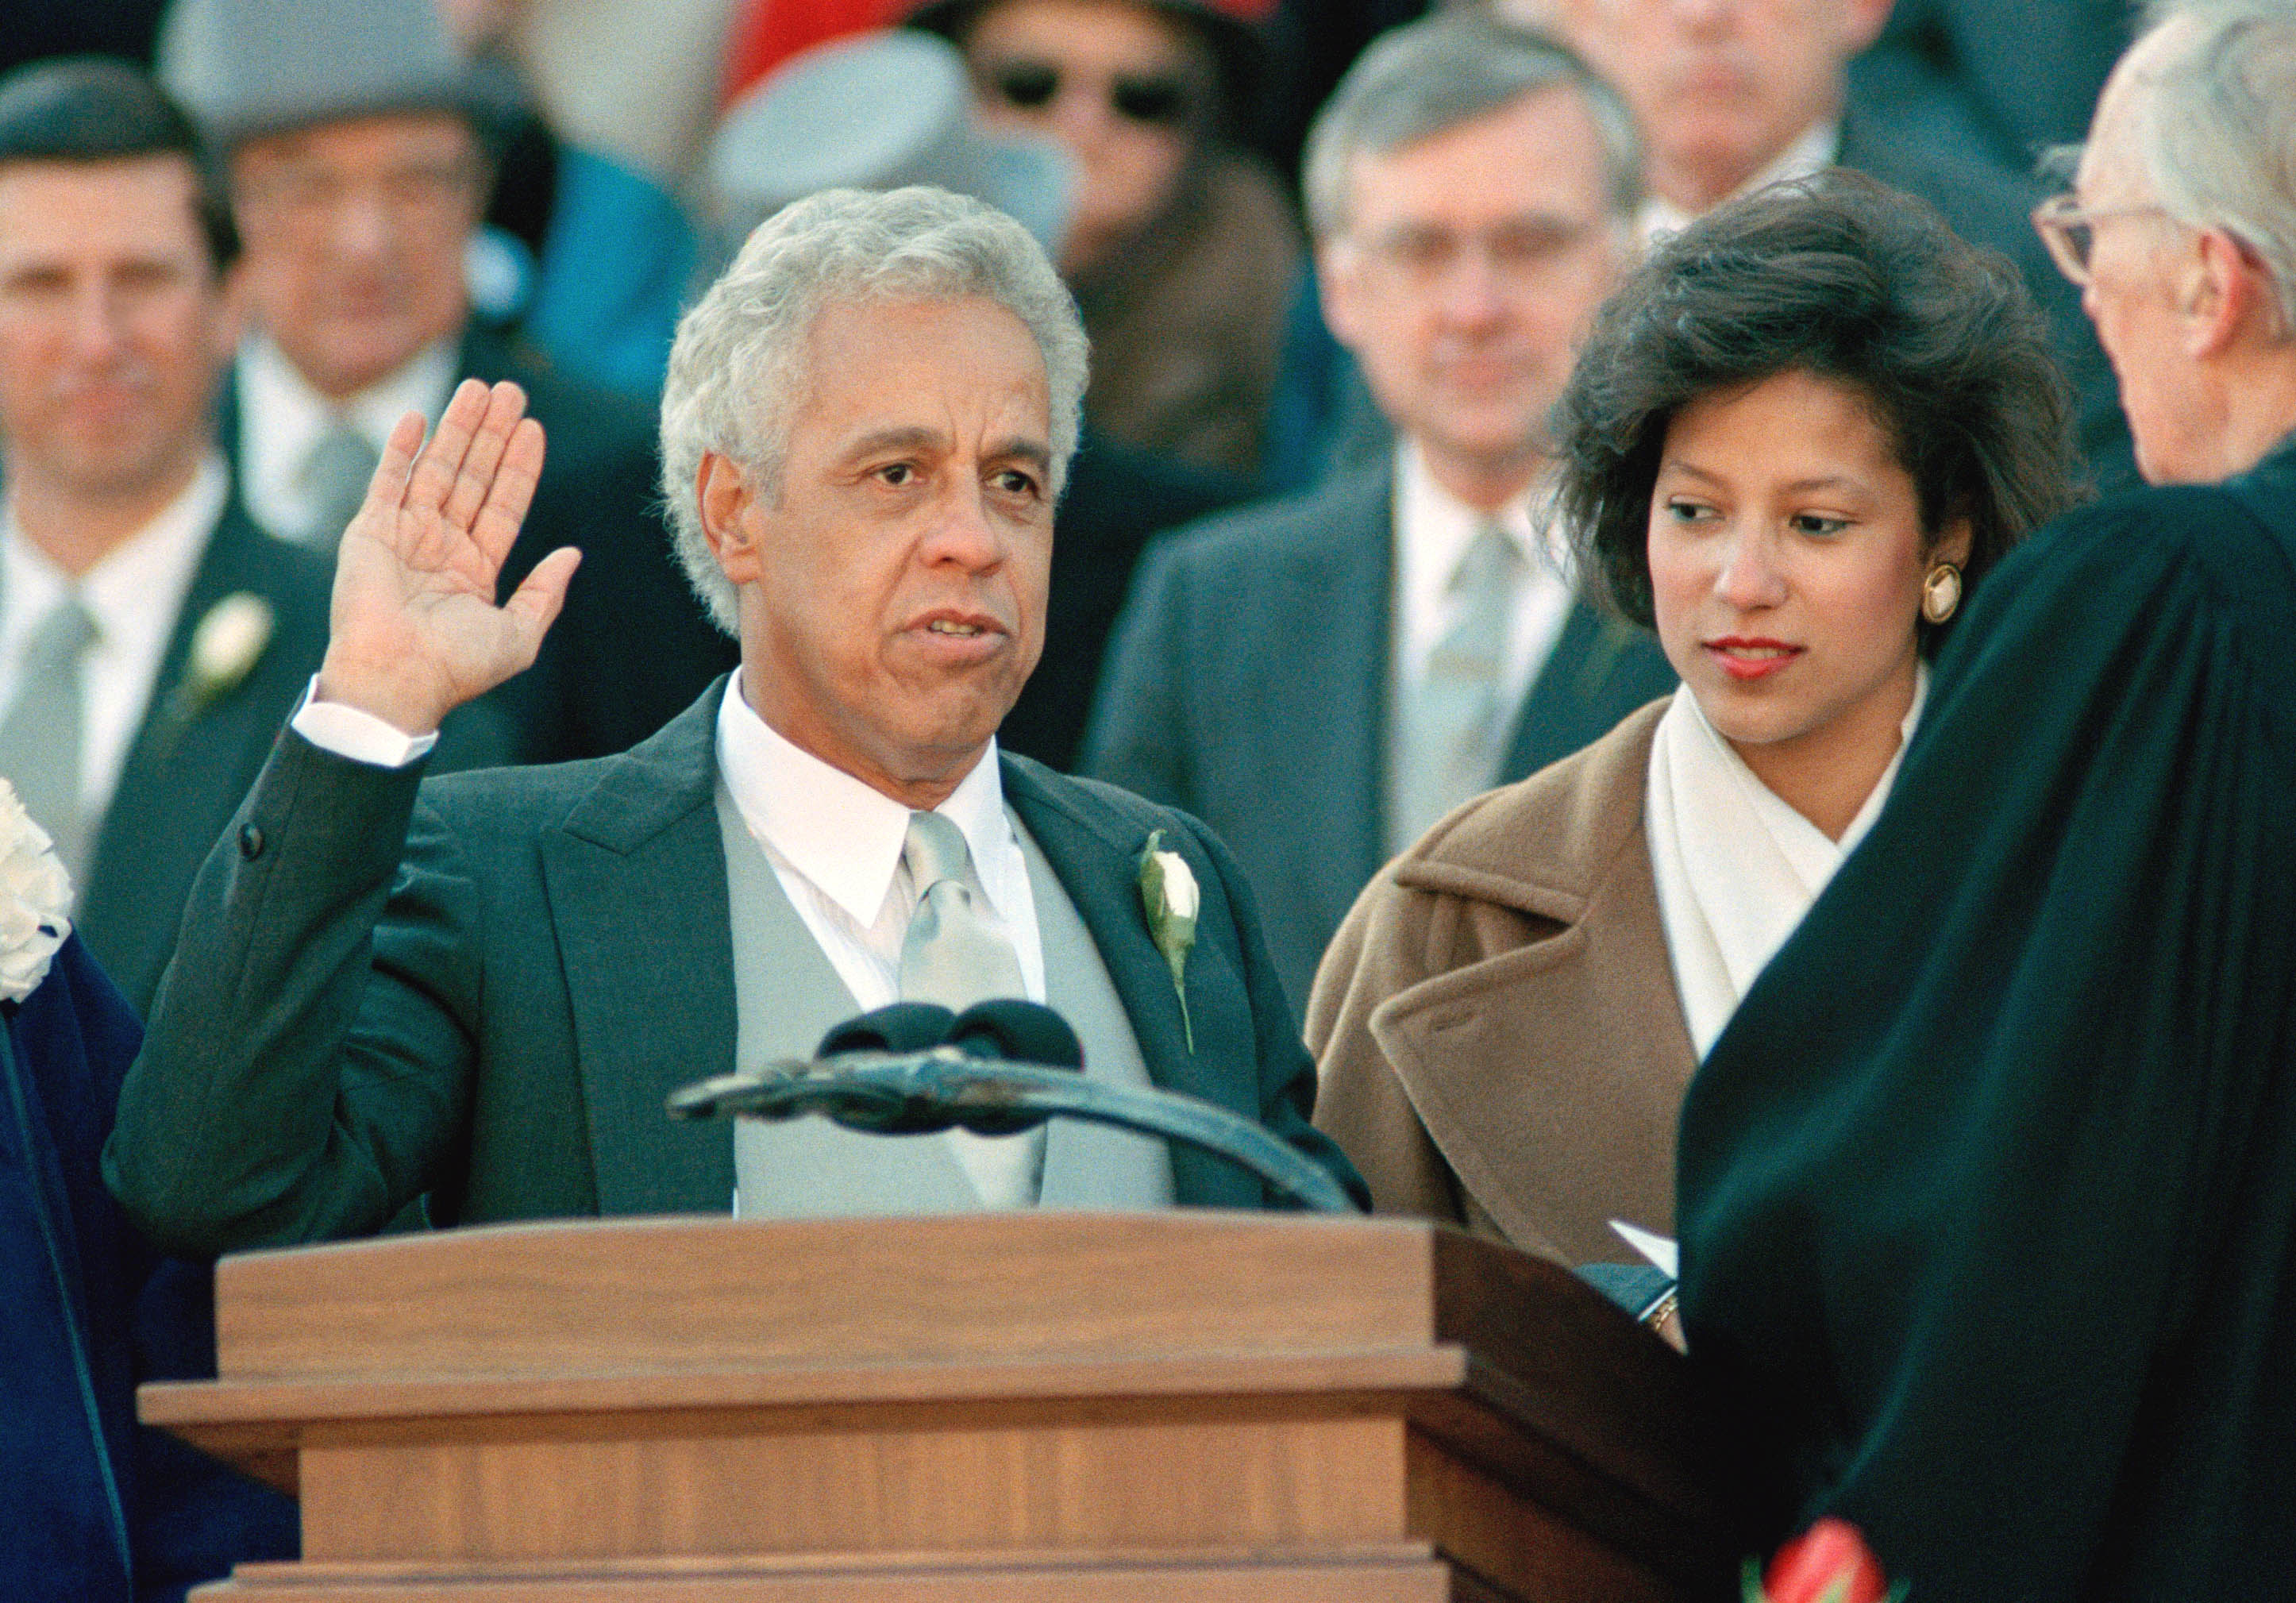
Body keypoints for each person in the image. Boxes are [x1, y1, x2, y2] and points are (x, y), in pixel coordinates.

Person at [102, 186, 1362, 1256]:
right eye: (897, 475)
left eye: (1014, 480)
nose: (975, 539)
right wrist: (368, 718)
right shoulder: (509, 883)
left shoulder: (1168, 878)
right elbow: (213, 1188)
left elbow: (1333, 1290)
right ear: (733, 513)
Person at [1672, 4, 2296, 1595]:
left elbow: (1981, 1178)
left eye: (2099, 237)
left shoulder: (2170, 609)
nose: (2084, 291)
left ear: (2213, 283)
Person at [1308, 167, 2078, 1289]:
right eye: (1695, 512)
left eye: (1816, 522)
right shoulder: (1450, 919)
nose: (1743, 579)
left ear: (1943, 540)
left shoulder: (2098, 872)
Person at [1084, 13, 1676, 1006]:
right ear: (1341, 287)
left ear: (1625, 261)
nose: (1474, 307)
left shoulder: (1718, 589)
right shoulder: (1208, 603)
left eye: (1530, 243)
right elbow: (1139, 975)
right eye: (1420, 250)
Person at [0, 57, 503, 1015]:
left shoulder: (378, 675)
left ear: (235, 302)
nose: (97, 339)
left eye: (142, 279)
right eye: (40, 284)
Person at [161, 0, 736, 763]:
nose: (366, 243)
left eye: (416, 183)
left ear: (480, 190)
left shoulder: (621, 480)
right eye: (308, 187)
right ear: (229, 206)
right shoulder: (153, 453)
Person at [1519, 0, 2135, 488]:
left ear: (1864, 6)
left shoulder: (2040, 268)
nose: (1703, 12)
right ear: (1573, 15)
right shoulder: (1494, 261)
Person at [911, 0, 1299, 479]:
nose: (1082, 130)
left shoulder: (1263, 272)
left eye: (1143, 99)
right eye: (1028, 86)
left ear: (1201, 126)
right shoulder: (862, 237)